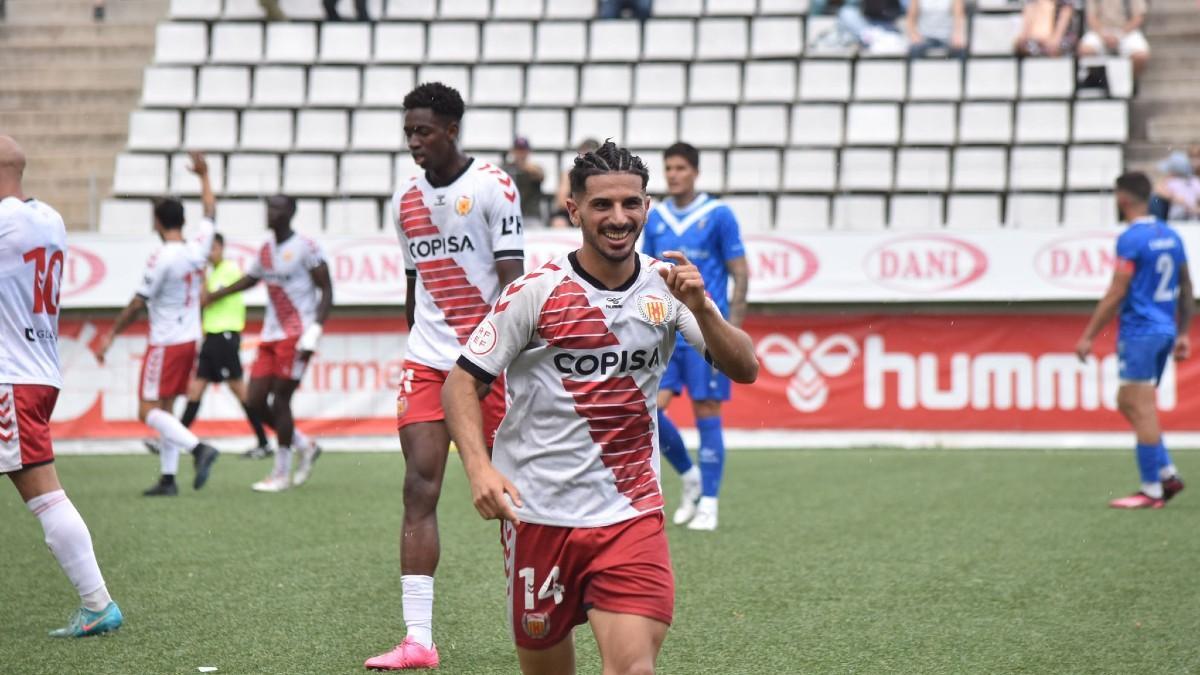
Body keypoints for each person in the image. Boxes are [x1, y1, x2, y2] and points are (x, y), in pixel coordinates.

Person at [442, 141, 759, 675]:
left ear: (646, 207)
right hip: (538, 515)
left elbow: (745, 367)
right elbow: (459, 385)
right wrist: (477, 467)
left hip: (629, 514)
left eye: (630, 204)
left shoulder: (668, 287)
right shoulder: (536, 292)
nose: (618, 218)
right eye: (602, 206)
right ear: (574, 210)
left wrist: (703, 307)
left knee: (633, 668)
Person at [363, 81, 525, 671]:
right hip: (428, 360)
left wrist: (490, 362)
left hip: (489, 360)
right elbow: (414, 285)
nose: (414, 142)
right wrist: (418, 345)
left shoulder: (492, 187)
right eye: (408, 131)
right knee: (419, 486)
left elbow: (513, 280)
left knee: (513, 494)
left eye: (423, 131)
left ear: (452, 130)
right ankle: (418, 640)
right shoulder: (405, 199)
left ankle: (537, 611)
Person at [0, 135, 123, 638]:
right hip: (38, 368)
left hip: (9, 376)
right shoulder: (48, 218)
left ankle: (98, 604)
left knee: (45, 495)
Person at [95, 153, 220, 497]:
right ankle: (168, 478)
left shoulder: (162, 258)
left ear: (158, 222)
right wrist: (205, 176)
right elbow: (210, 213)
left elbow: (138, 302)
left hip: (165, 342)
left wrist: (110, 336)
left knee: (147, 409)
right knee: (166, 408)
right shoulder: (198, 247)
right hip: (189, 339)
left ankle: (198, 449)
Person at [641, 143, 749, 531]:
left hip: (705, 330)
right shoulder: (655, 218)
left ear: (695, 172)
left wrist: (732, 328)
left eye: (681, 168)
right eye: (668, 168)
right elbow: (647, 274)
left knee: (706, 410)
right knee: (649, 408)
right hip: (667, 329)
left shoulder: (718, 214)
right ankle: (690, 478)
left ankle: (711, 502)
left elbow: (740, 271)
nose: (673, 174)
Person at [1075, 171, 1192, 509]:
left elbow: (1116, 291)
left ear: (1123, 199)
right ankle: (1167, 472)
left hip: (1140, 331)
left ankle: (1153, 488)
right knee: (1131, 403)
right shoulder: (1170, 235)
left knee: (1137, 405)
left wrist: (1088, 336)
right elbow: (1187, 287)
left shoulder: (1130, 239)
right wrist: (1183, 331)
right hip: (1164, 329)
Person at [205, 196, 332, 493]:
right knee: (254, 400)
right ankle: (305, 445)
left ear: (289, 213)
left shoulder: (305, 247)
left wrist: (315, 329)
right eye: (269, 208)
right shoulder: (265, 249)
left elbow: (326, 289)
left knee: (280, 400)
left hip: (297, 333)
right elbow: (250, 279)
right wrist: (217, 294)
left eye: (276, 209)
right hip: (271, 334)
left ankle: (281, 472)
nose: (270, 213)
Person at [169, 233, 274, 459]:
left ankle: (265, 442)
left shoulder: (228, 270)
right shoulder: (214, 272)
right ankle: (174, 439)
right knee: (196, 390)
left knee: (241, 391)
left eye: (213, 248)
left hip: (224, 336)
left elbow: (205, 299)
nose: (209, 253)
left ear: (222, 248)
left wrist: (202, 272)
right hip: (211, 338)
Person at [1077, 0, 1149, 76]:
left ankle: (1128, 80)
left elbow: (1138, 17)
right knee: (1085, 50)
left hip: (1126, 31)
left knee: (1140, 56)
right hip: (1100, 31)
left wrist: (1120, 35)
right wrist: (1104, 34)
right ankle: (1098, 78)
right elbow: (1091, 17)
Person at [549, 138, 600, 230]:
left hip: (596, 211)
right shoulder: (569, 174)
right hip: (573, 212)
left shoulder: (604, 175)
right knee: (559, 223)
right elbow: (561, 201)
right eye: (584, 154)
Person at [502, 137, 546, 229]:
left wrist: (522, 166)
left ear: (528, 151)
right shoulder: (505, 169)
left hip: (530, 215)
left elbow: (540, 176)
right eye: (518, 150)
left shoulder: (535, 168)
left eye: (523, 150)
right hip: (509, 215)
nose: (520, 153)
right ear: (513, 151)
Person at [1014, 0, 1080, 57]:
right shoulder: (1031, 2)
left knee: (1054, 49)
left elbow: (1065, 15)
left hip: (1060, 38)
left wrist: (1054, 39)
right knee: (1022, 47)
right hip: (1037, 39)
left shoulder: (1065, 4)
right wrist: (1023, 38)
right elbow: (1026, 25)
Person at [1153, 150, 1200, 221]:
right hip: (1193, 218)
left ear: (1173, 172)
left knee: (1155, 200)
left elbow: (1157, 190)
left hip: (1176, 218)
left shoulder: (1171, 182)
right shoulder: (1195, 181)